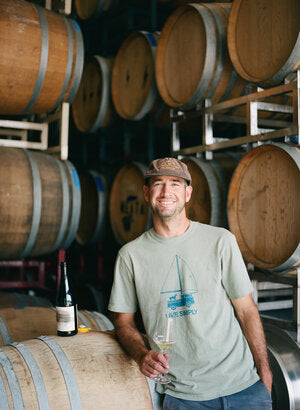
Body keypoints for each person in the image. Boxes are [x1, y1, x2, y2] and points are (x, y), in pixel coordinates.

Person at [108, 157, 273, 409]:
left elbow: (246, 310)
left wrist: (265, 371)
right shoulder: (130, 256)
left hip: (243, 388)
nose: (166, 192)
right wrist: (142, 355)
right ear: (145, 192)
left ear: (187, 193)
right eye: (158, 184)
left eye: (175, 184)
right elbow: (123, 321)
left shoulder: (220, 241)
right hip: (182, 396)